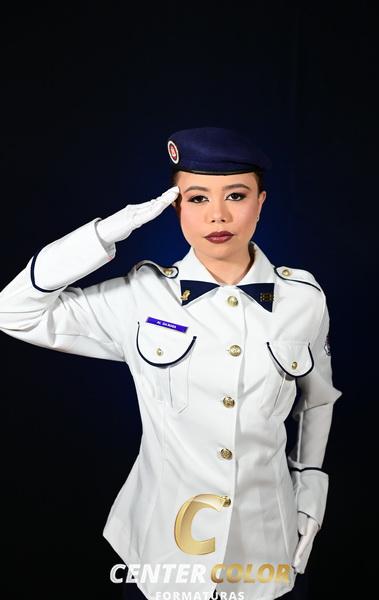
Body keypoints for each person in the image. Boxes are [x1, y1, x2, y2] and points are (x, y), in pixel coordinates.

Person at [0, 126, 342, 600]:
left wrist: (310, 486)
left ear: (261, 202)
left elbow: (316, 400)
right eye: (197, 198)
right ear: (175, 207)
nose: (218, 215)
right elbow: (13, 312)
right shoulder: (141, 296)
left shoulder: (303, 298)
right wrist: (105, 233)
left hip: (267, 548)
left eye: (236, 195)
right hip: (162, 554)